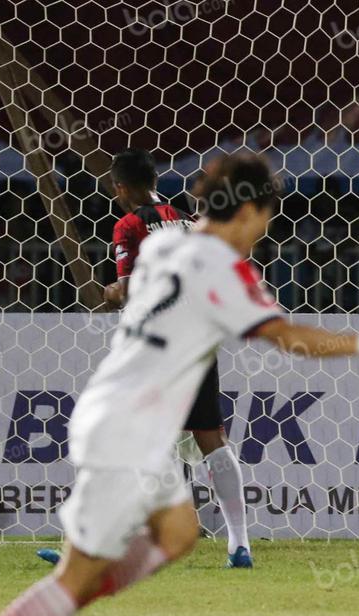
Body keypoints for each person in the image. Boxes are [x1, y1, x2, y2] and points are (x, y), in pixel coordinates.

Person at [0, 152, 359, 616]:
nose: (263, 231)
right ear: (247, 210)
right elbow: (287, 338)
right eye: (264, 217)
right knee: (74, 578)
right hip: (126, 427)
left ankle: (58, 612)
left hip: (123, 410)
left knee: (179, 534)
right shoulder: (220, 266)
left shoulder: (164, 243)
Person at [97, 148, 256, 568]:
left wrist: (109, 293)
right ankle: (239, 544)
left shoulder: (129, 226)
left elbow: (129, 292)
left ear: (120, 187)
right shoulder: (188, 219)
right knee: (210, 440)